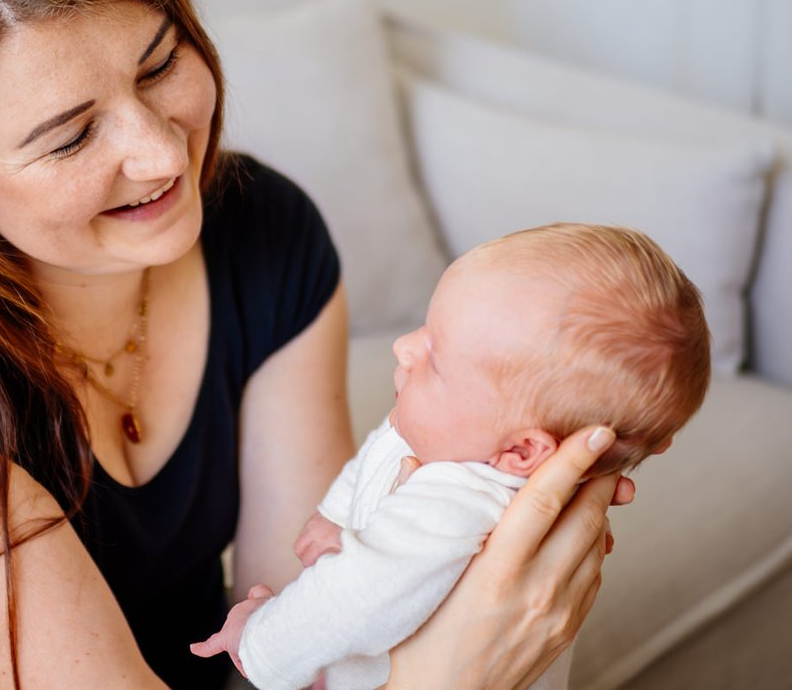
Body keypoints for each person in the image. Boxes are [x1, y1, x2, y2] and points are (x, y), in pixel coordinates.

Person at [0, 0, 633, 688]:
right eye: (71, 136)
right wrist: (450, 675)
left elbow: (306, 621)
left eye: (159, 66)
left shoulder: (262, 229)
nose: (162, 155)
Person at [191, 223, 711, 690]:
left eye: (435, 359)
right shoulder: (462, 441)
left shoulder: (458, 508)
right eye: (426, 327)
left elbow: (350, 601)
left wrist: (259, 641)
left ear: (522, 451)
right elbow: (391, 439)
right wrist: (337, 515)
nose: (403, 347)